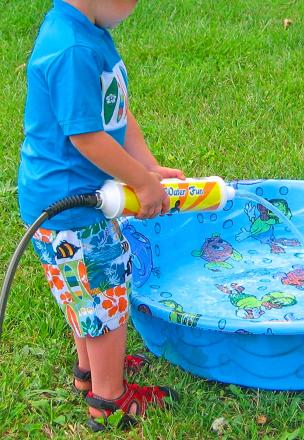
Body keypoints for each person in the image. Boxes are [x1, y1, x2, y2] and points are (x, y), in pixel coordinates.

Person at [17, 0, 183, 431]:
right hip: (70, 207)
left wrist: (146, 168)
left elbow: (118, 113)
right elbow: (87, 137)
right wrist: (142, 185)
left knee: (85, 292)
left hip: (80, 199)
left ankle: (90, 370)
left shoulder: (86, 30)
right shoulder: (72, 47)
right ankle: (109, 398)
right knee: (106, 296)